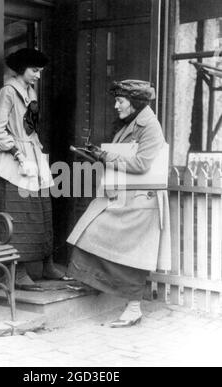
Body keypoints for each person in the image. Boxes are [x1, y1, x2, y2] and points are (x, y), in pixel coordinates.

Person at [67, 80, 171, 327]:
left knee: (133, 256)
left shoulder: (150, 126)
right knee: (90, 232)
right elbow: (125, 157)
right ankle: (88, 279)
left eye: (120, 101)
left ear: (134, 103)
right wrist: (96, 155)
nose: (116, 106)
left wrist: (105, 156)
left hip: (142, 202)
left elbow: (141, 164)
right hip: (126, 196)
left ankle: (134, 308)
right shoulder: (134, 122)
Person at [0, 48, 69, 291]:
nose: (38, 75)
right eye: (35, 70)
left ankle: (47, 264)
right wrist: (17, 154)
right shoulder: (8, 92)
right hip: (15, 163)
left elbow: (31, 129)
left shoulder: (31, 92)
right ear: (22, 68)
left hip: (34, 158)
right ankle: (19, 271)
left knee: (43, 212)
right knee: (19, 216)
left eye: (40, 71)